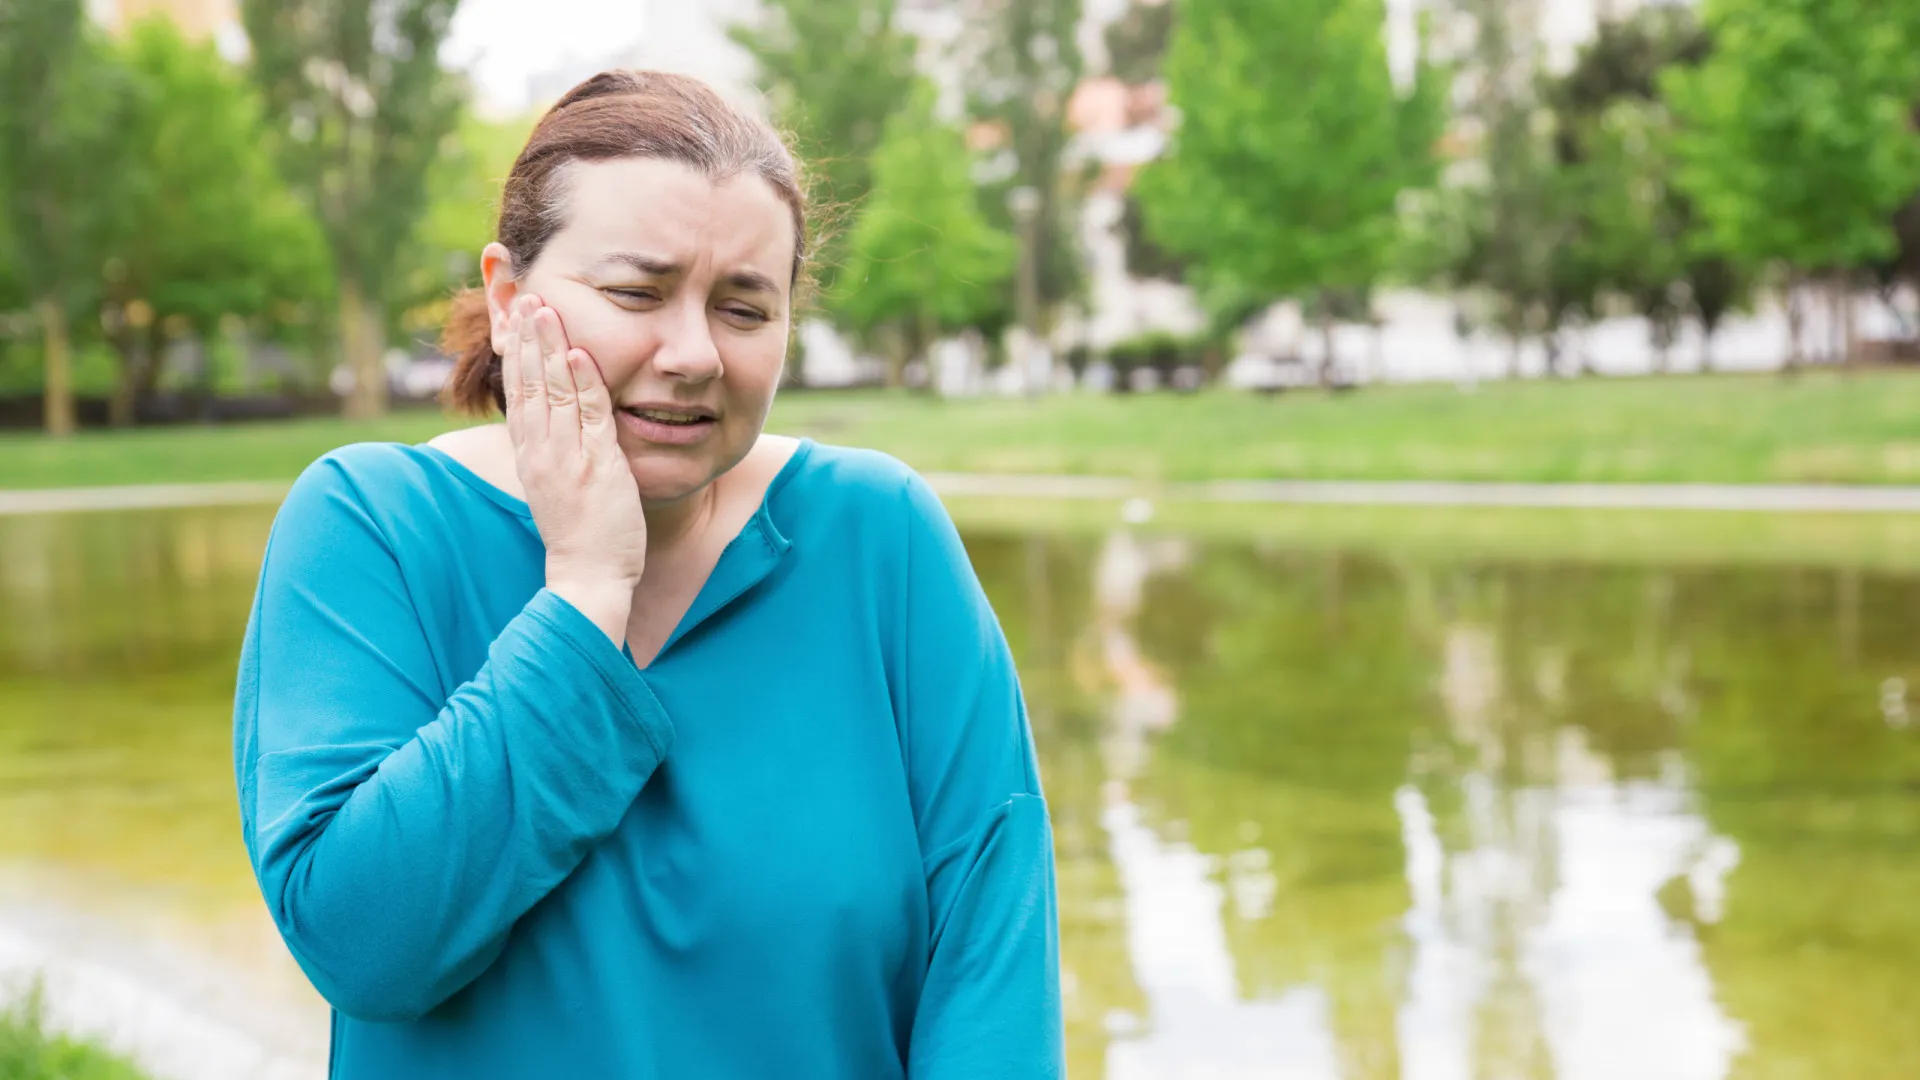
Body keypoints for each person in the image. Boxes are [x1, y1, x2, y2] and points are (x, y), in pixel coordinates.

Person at [231, 70, 1062, 1078]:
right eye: (637, 292)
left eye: (745, 309)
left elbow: (990, 977)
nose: (693, 353)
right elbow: (365, 947)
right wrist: (584, 592)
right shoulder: (371, 526)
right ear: (508, 298)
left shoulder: (882, 538)